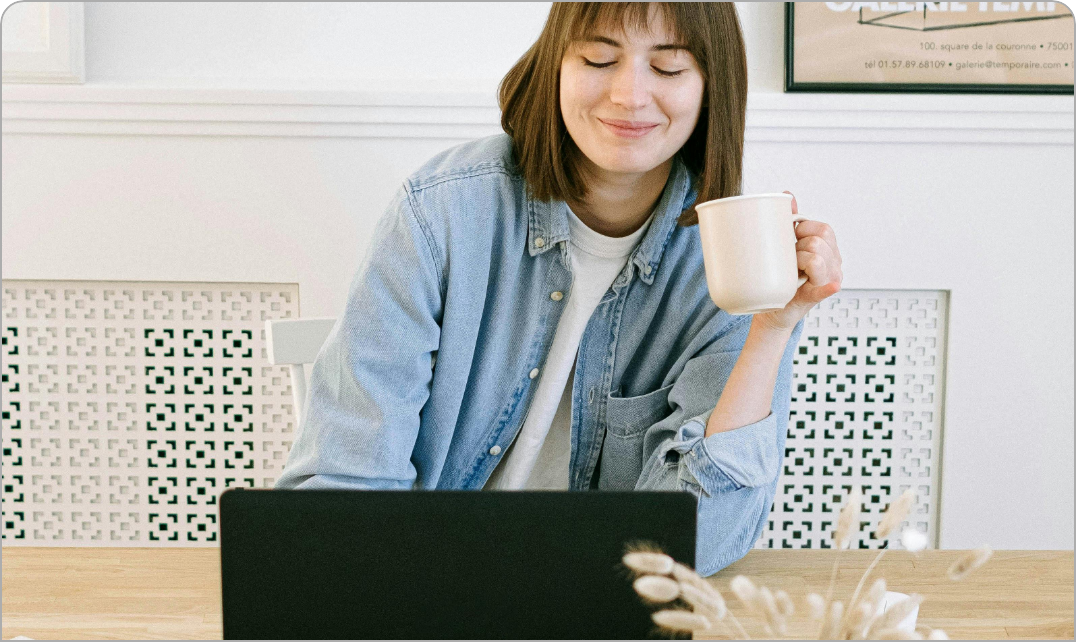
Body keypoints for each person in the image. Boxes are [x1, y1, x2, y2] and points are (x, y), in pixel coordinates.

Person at [276, 2, 843, 575]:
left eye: (669, 68)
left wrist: (771, 330)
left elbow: (696, 540)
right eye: (599, 58)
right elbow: (344, 488)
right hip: (425, 583)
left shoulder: (733, 252)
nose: (629, 94)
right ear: (555, 64)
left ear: (711, 87)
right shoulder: (443, 211)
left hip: (600, 600)